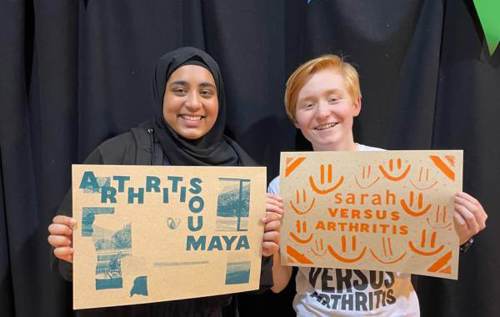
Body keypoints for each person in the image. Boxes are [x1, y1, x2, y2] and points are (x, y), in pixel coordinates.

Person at [47, 47, 282, 317]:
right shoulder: (115, 158)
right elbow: (70, 267)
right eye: (179, 90)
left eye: (206, 92)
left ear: (220, 100)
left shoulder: (241, 171)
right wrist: (70, 252)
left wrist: (263, 250)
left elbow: (254, 282)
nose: (194, 103)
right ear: (161, 94)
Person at [266, 54, 488, 316]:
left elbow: (428, 249)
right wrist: (271, 245)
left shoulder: (398, 173)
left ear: (356, 104)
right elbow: (278, 285)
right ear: (296, 120)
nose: (323, 112)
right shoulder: (282, 187)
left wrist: (458, 235)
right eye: (308, 105)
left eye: (334, 98)